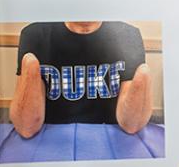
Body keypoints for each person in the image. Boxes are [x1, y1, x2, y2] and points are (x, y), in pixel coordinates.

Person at [10, 21, 152, 138]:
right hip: (50, 136)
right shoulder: (35, 35)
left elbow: (131, 125)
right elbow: (26, 128)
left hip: (111, 136)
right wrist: (30, 68)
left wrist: (142, 79)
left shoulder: (127, 35)